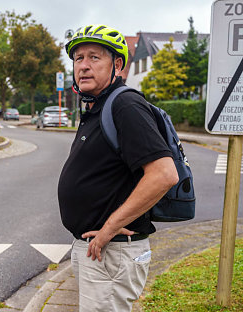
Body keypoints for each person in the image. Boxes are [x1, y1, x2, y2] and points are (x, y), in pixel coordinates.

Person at [57, 24, 179, 312]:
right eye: (78, 59)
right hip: (99, 252)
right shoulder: (97, 107)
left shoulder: (124, 105)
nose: (83, 66)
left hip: (111, 252)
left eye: (94, 57)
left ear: (118, 64)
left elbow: (164, 174)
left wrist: (108, 228)